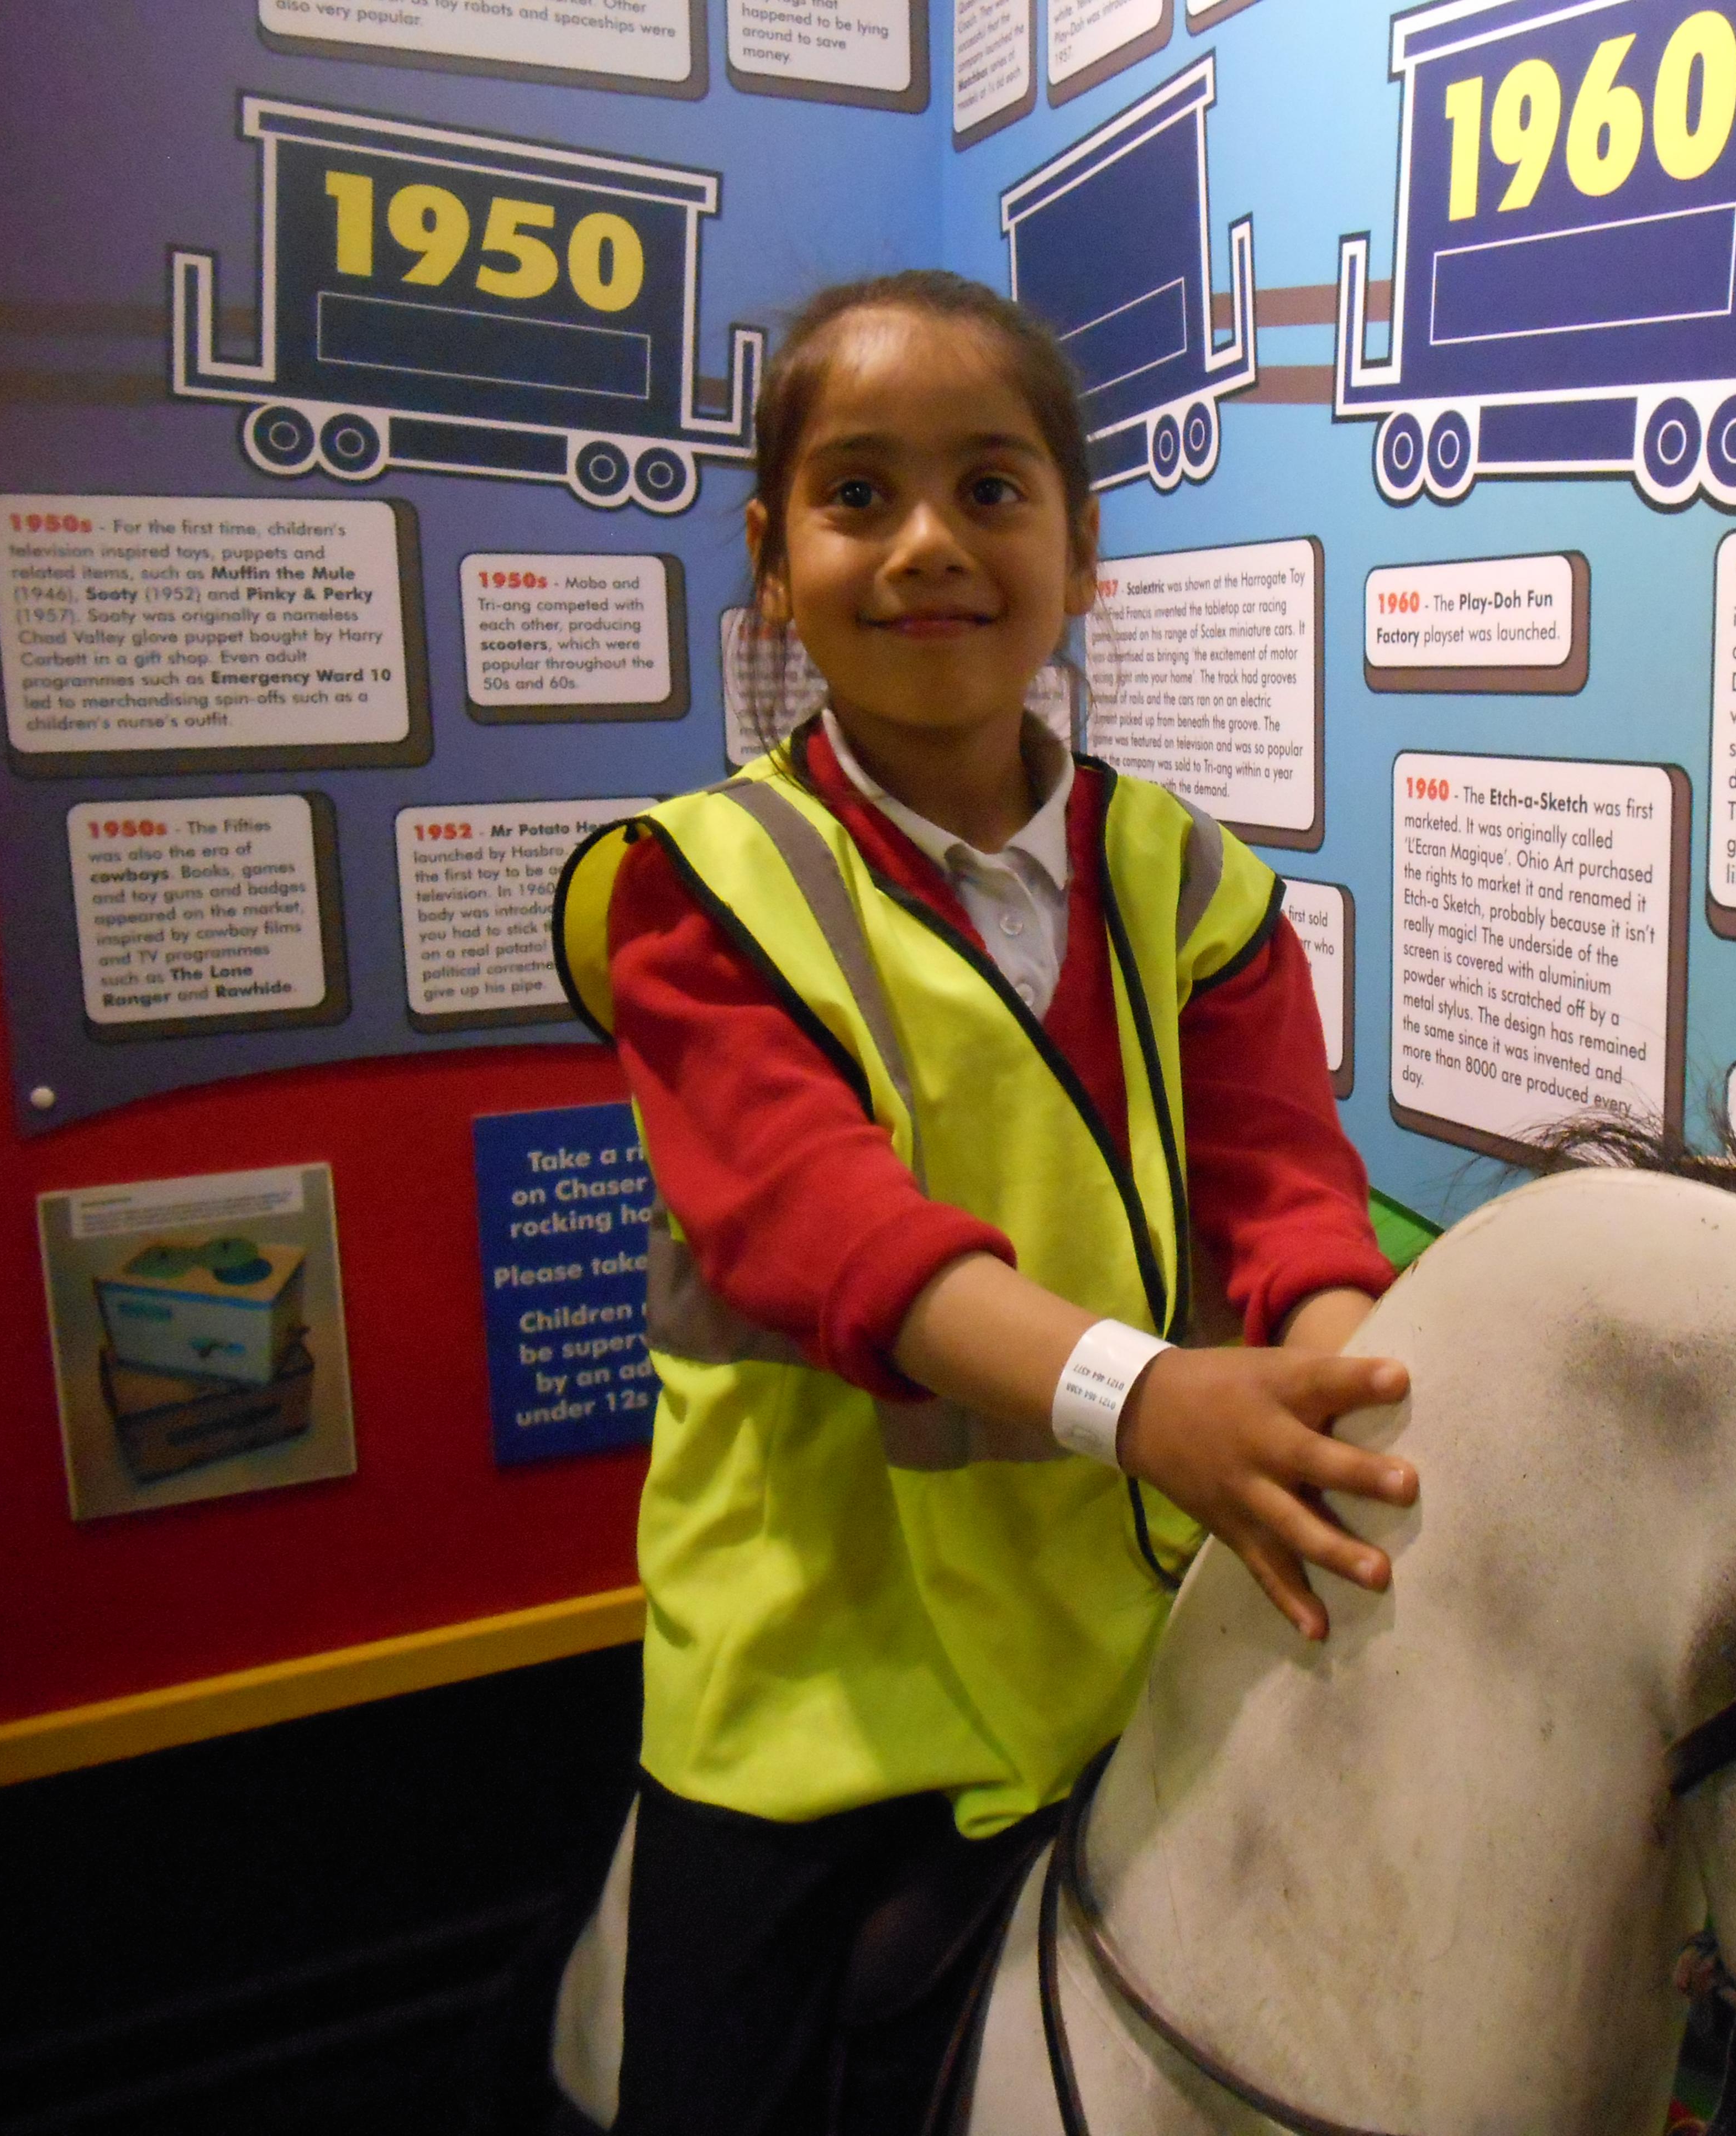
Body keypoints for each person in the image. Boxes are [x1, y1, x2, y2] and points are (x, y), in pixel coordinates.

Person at [550, 269, 1417, 2136]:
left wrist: (1344, 1402)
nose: (930, 541)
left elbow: (1288, 1197)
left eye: (993, 488)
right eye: (860, 494)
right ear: (773, 564)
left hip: (1132, 1638)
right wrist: (1149, 1398)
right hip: (815, 1679)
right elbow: (830, 1231)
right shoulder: (696, 890)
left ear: (1082, 552)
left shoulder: (1191, 879)